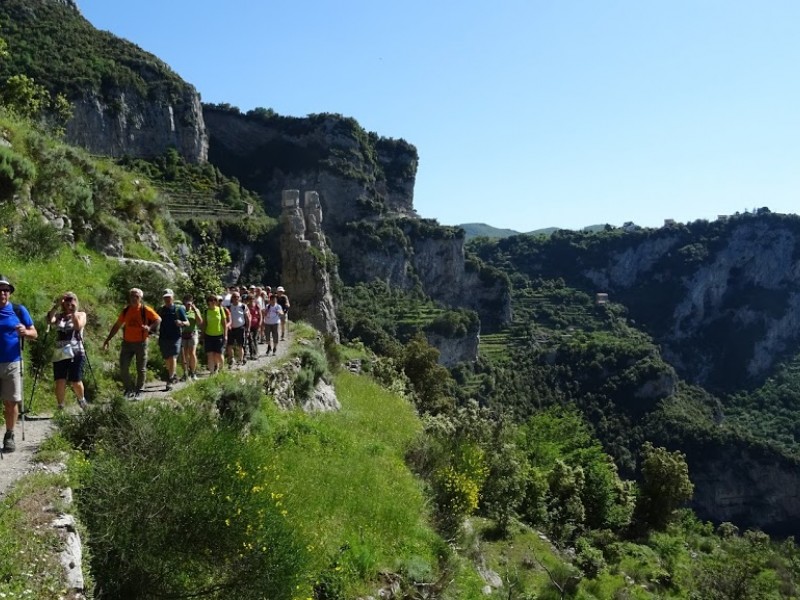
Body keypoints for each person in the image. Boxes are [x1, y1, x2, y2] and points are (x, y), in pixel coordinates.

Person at [102, 288, 161, 400]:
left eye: (136, 296)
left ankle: (140, 390)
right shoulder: (126, 310)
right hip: (127, 343)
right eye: (132, 296)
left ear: (140, 298)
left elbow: (158, 319)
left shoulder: (145, 310)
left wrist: (149, 328)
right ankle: (129, 389)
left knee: (141, 368)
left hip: (141, 343)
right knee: (123, 367)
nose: (134, 298)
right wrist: (108, 339)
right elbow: (117, 325)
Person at [0, 275, 37, 453]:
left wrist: (25, 332)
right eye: (0, 290)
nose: (2, 293)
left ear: (10, 293)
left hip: (13, 363)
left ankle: (9, 435)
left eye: (5, 290)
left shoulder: (18, 310)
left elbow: (34, 333)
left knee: (11, 402)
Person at [46, 291, 88, 411]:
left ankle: (81, 400)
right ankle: (60, 407)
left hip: (76, 351)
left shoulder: (81, 314)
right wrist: (56, 305)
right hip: (60, 352)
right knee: (60, 380)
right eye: (67, 300)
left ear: (76, 301)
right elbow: (49, 320)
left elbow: (78, 326)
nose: (69, 302)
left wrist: (73, 313)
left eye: (72, 299)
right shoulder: (59, 316)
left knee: (75, 380)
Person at [157, 289, 188, 391]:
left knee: (172, 357)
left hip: (176, 337)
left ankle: (169, 379)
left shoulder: (179, 309)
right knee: (167, 358)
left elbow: (187, 322)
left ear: (172, 297)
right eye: (165, 297)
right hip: (163, 337)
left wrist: (181, 323)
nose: (167, 299)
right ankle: (173, 373)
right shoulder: (161, 310)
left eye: (169, 297)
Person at [203, 294, 229, 374]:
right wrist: (202, 335)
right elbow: (204, 324)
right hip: (208, 335)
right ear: (208, 302)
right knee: (210, 355)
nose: (213, 302)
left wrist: (225, 335)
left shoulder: (220, 310)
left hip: (219, 335)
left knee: (219, 354)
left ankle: (222, 370)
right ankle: (212, 372)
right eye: (211, 300)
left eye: (215, 300)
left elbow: (224, 323)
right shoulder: (206, 311)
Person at [180, 293, 203, 381]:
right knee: (184, 354)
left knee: (192, 353)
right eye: (186, 300)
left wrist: (196, 312)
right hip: (183, 334)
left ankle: (193, 373)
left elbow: (200, 322)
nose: (188, 302)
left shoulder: (195, 310)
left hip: (193, 333)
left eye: (190, 300)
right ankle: (185, 373)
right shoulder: (181, 310)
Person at [225, 291, 250, 368]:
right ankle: (231, 360)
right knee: (229, 345)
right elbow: (225, 318)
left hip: (240, 328)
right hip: (231, 329)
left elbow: (247, 318)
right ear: (232, 298)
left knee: (240, 345)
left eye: (237, 297)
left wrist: (248, 329)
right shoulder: (228, 307)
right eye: (234, 297)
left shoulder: (243, 306)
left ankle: (240, 361)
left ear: (239, 298)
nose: (236, 298)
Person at [246, 293, 261, 360]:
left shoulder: (257, 306)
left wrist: (260, 323)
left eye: (252, 299)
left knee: (254, 339)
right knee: (250, 339)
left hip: (256, 325)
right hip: (248, 325)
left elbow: (260, 316)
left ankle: (256, 353)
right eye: (249, 299)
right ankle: (252, 353)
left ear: (254, 299)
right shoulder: (246, 307)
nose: (251, 300)